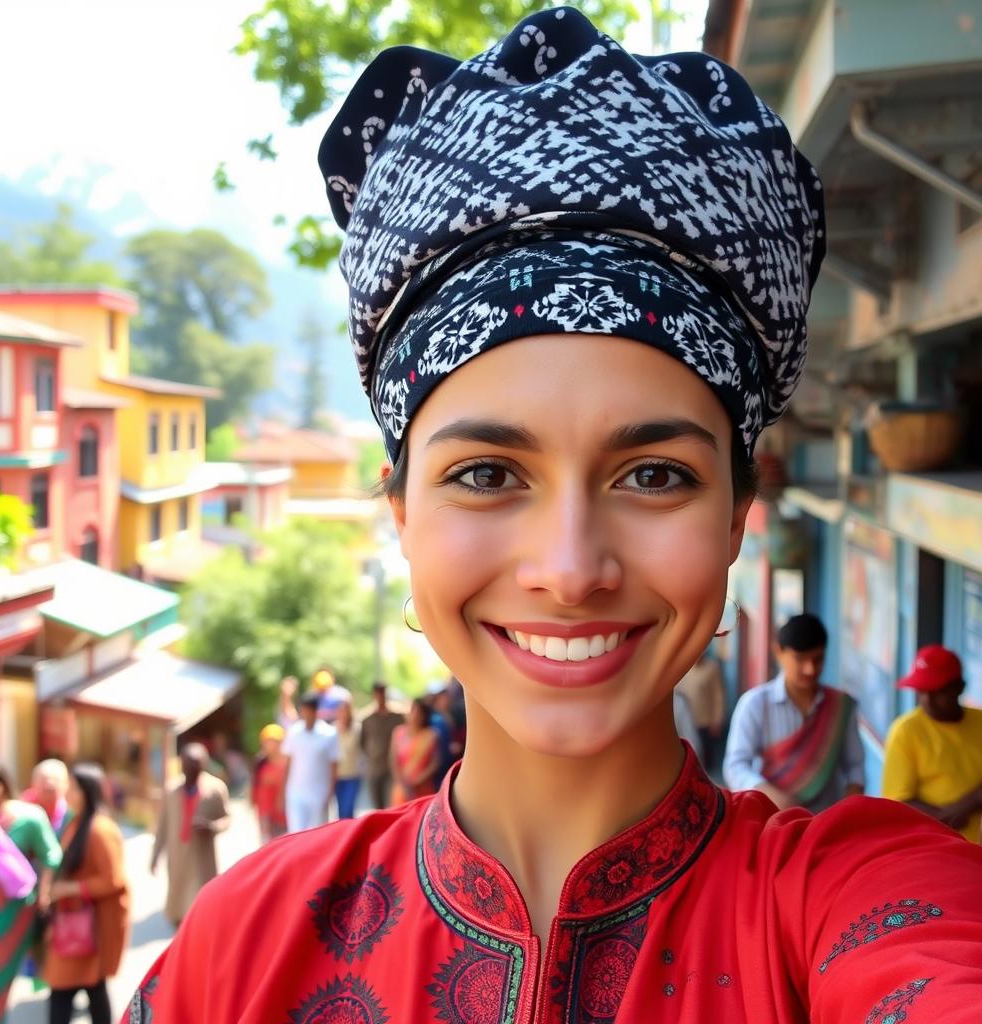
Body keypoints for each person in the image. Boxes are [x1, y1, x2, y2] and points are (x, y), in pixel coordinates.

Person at [124, 11, 982, 1023]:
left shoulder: (852, 900)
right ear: (400, 512)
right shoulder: (245, 945)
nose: (570, 569)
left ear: (739, 514)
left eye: (655, 475)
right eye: (488, 473)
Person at [723, 614, 865, 812]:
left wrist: (850, 806)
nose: (810, 669)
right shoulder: (755, 704)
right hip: (772, 818)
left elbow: (855, 767)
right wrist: (773, 796)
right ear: (778, 652)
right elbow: (735, 766)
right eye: (800, 659)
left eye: (818, 659)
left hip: (824, 822)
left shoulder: (841, 707)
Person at [0, 753, 62, 1023]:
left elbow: (52, 854)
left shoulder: (28, 818)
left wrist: (45, 890)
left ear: (4, 784)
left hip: (11, 920)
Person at [43, 763, 129, 1024]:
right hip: (75, 925)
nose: (67, 793)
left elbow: (114, 880)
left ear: (88, 791)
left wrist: (71, 888)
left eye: (73, 788)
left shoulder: (101, 829)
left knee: (68, 990)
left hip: (89, 928)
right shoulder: (76, 823)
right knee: (92, 990)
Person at [883, 645, 982, 843]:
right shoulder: (905, 732)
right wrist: (949, 815)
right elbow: (899, 804)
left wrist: (967, 805)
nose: (927, 700)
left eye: (937, 691)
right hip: (931, 847)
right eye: (921, 691)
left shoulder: (979, 722)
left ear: (960, 687)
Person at [150, 743, 230, 928]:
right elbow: (162, 825)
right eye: (188, 764)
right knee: (177, 906)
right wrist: (155, 855)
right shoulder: (172, 790)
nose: (192, 769)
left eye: (196, 765)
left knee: (201, 907)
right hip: (178, 857)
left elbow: (227, 818)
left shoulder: (215, 789)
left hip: (201, 859)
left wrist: (212, 827)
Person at [281, 692, 339, 832]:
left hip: (319, 793)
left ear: (315, 711)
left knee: (317, 834)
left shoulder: (329, 733)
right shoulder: (294, 732)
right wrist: (283, 790)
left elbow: (334, 765)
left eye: (309, 710)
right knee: (296, 833)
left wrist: (330, 792)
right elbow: (287, 762)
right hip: (296, 792)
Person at [676, 649, 726, 769]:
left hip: (704, 721)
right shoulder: (682, 667)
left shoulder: (712, 668)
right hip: (683, 721)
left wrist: (717, 719)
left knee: (705, 758)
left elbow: (718, 695)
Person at [358, 680, 405, 809]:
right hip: (374, 768)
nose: (380, 697)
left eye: (382, 693)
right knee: (377, 806)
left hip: (392, 768)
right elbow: (362, 742)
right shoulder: (367, 719)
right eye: (377, 694)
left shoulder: (397, 717)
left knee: (392, 804)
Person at [389, 697, 441, 805]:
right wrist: (402, 782)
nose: (415, 715)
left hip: (423, 789)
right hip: (401, 789)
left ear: (424, 715)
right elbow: (393, 760)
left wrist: (417, 781)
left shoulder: (431, 735)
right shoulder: (398, 732)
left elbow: (435, 763)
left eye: (419, 712)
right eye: (413, 710)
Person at [251, 724, 289, 843]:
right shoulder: (260, 763)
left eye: (273, 741)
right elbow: (254, 784)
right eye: (266, 742)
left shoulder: (288, 763)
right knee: (267, 843)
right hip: (265, 812)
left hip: (283, 811)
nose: (269, 745)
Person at [23, 758, 75, 838]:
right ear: (33, 783)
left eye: (56, 780)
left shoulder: (72, 811)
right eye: (44, 780)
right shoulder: (23, 807)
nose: (50, 785)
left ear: (66, 785)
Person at [333, 700, 362, 820]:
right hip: (337, 776)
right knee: (340, 811)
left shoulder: (357, 729)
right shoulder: (333, 729)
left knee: (348, 809)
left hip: (353, 775)